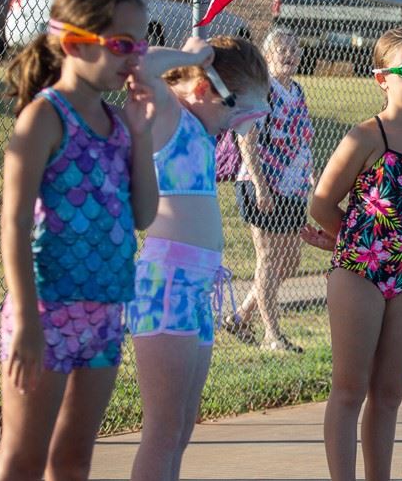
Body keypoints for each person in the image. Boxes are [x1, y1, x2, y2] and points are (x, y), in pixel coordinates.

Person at [0, 0, 159, 481]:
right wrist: (26, 319)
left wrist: (141, 134)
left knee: (74, 460)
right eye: (122, 45)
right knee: (23, 459)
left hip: (105, 312)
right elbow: (14, 225)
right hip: (47, 310)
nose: (135, 58)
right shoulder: (45, 118)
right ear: (73, 43)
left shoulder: (118, 122)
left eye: (140, 45)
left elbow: (143, 215)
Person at [303, 27, 402, 481]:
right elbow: (322, 203)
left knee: (389, 394)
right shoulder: (365, 136)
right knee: (350, 390)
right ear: (382, 78)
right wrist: (348, 238)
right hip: (357, 273)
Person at [129, 35, 270, 481]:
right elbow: (139, 66)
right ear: (206, 88)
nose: (238, 127)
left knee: (183, 427)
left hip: (199, 288)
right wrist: (190, 58)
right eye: (237, 113)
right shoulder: (170, 115)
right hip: (166, 283)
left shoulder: (203, 131)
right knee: (163, 428)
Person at [226, 28, 313, 352]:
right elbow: (245, 138)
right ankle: (272, 336)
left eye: (293, 48)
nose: (287, 54)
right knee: (267, 259)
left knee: (289, 261)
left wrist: (310, 172)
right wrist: (261, 186)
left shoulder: (298, 91)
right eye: (280, 48)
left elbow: (303, 137)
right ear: (266, 56)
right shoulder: (262, 90)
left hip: (292, 186)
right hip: (260, 184)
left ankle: (240, 316)